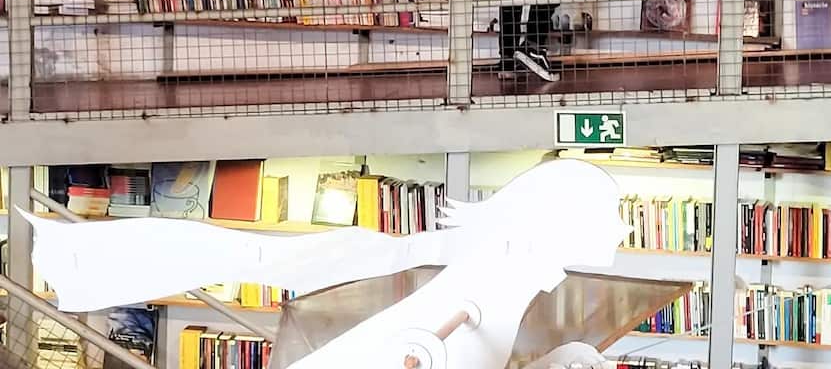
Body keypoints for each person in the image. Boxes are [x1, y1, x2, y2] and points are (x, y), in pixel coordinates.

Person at [25, 158, 628, 369]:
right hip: (366, 281)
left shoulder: (499, 288)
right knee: (260, 257)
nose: (563, 277)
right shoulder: (471, 288)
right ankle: (86, 260)